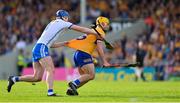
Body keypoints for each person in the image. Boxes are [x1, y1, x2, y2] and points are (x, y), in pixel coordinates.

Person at [7, 10, 101, 96]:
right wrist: (95, 32)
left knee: (37, 77)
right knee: (50, 70)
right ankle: (50, 92)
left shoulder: (52, 23)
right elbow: (81, 29)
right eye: (66, 17)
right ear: (64, 17)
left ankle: (14, 79)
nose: (67, 18)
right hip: (42, 48)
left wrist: (64, 43)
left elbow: (51, 44)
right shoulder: (62, 23)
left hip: (38, 47)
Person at [51, 16, 111, 95]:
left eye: (107, 24)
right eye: (105, 24)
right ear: (100, 24)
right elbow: (99, 49)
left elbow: (87, 44)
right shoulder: (100, 32)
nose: (107, 25)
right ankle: (74, 83)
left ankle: (71, 90)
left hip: (78, 54)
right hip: (83, 54)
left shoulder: (92, 31)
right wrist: (104, 61)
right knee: (91, 75)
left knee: (86, 77)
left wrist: (91, 57)